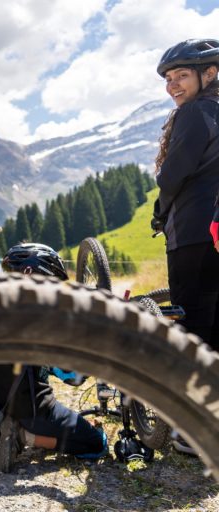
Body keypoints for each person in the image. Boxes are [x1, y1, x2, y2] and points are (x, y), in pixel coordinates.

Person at [0, 243, 107, 472]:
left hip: (0, 405)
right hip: (36, 412)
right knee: (96, 443)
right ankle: (25, 436)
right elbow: (73, 377)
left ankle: (5, 429)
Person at [153, 39, 219, 354]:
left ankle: (192, 403)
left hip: (193, 235)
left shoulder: (194, 112)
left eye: (181, 76)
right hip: (215, 231)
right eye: (168, 79)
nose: (172, 86)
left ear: (209, 73)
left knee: (193, 333)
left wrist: (160, 213)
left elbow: (171, 176)